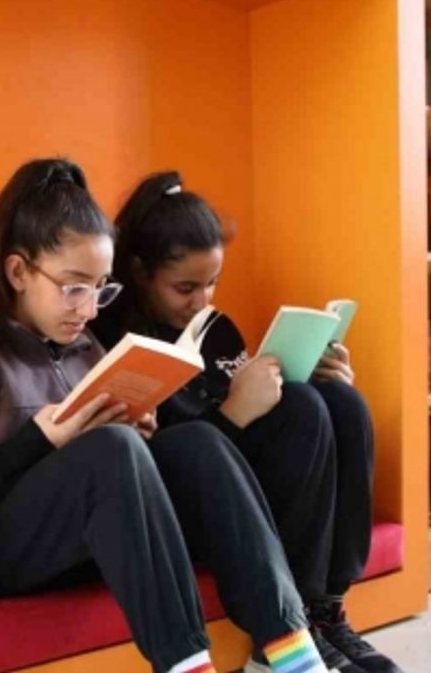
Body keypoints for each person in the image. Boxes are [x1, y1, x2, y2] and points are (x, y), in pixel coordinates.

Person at [0, 158, 330, 673]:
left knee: (193, 443)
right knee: (111, 450)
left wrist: (139, 434)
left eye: (101, 288)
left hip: (77, 541)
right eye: (75, 286)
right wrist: (40, 441)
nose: (90, 308)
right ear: (18, 272)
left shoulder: (84, 348)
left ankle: (286, 649)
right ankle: (187, 666)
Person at [91, 170, 403, 673]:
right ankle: (289, 626)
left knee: (336, 402)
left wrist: (301, 374)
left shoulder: (212, 328)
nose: (203, 301)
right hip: (183, 509)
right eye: (185, 287)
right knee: (302, 409)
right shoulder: (107, 337)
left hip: (240, 480)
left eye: (212, 283)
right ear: (140, 271)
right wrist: (236, 412)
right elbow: (180, 461)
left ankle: (324, 611)